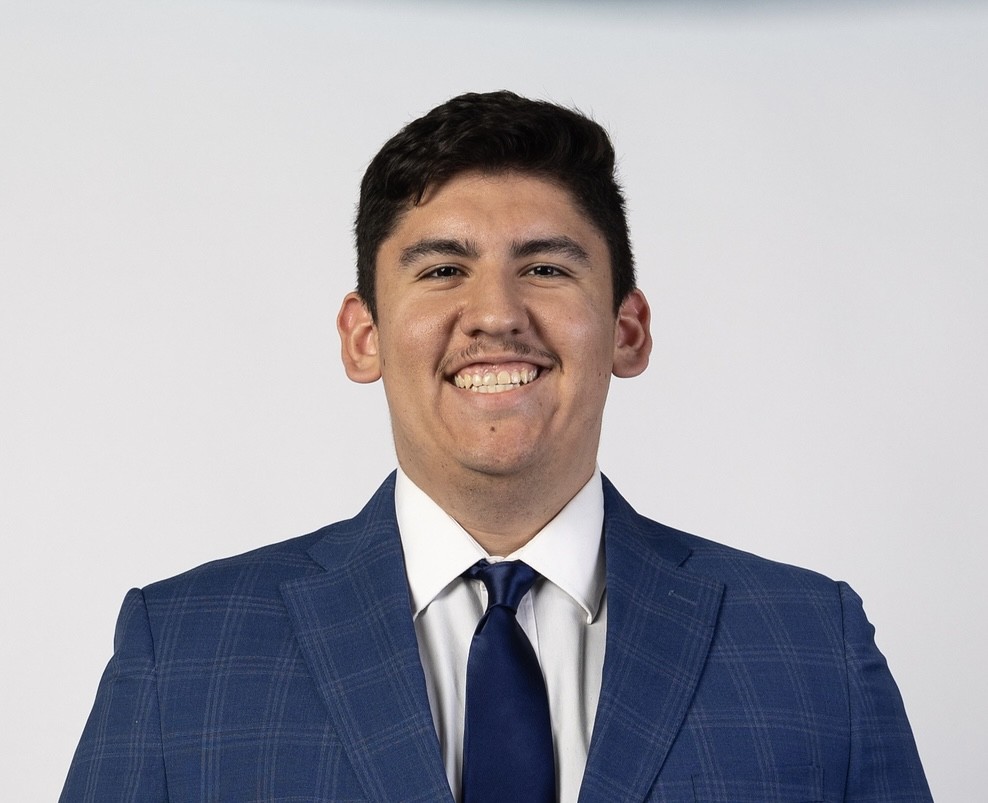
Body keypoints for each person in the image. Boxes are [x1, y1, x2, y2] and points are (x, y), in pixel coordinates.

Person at [61, 91, 932, 802]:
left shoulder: (814, 647)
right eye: (442, 269)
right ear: (362, 336)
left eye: (547, 268)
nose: (496, 314)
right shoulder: (182, 652)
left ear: (628, 331)